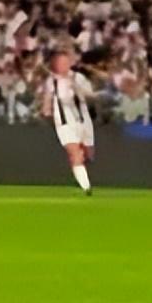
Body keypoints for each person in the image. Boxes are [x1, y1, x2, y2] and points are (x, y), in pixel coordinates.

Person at [38, 50, 96, 195]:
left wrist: (75, 87)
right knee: (74, 153)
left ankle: (80, 171)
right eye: (59, 62)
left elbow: (90, 96)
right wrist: (46, 109)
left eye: (65, 62)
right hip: (64, 122)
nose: (62, 65)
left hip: (83, 121)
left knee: (88, 154)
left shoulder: (78, 78)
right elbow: (47, 98)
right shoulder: (51, 81)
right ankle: (86, 187)